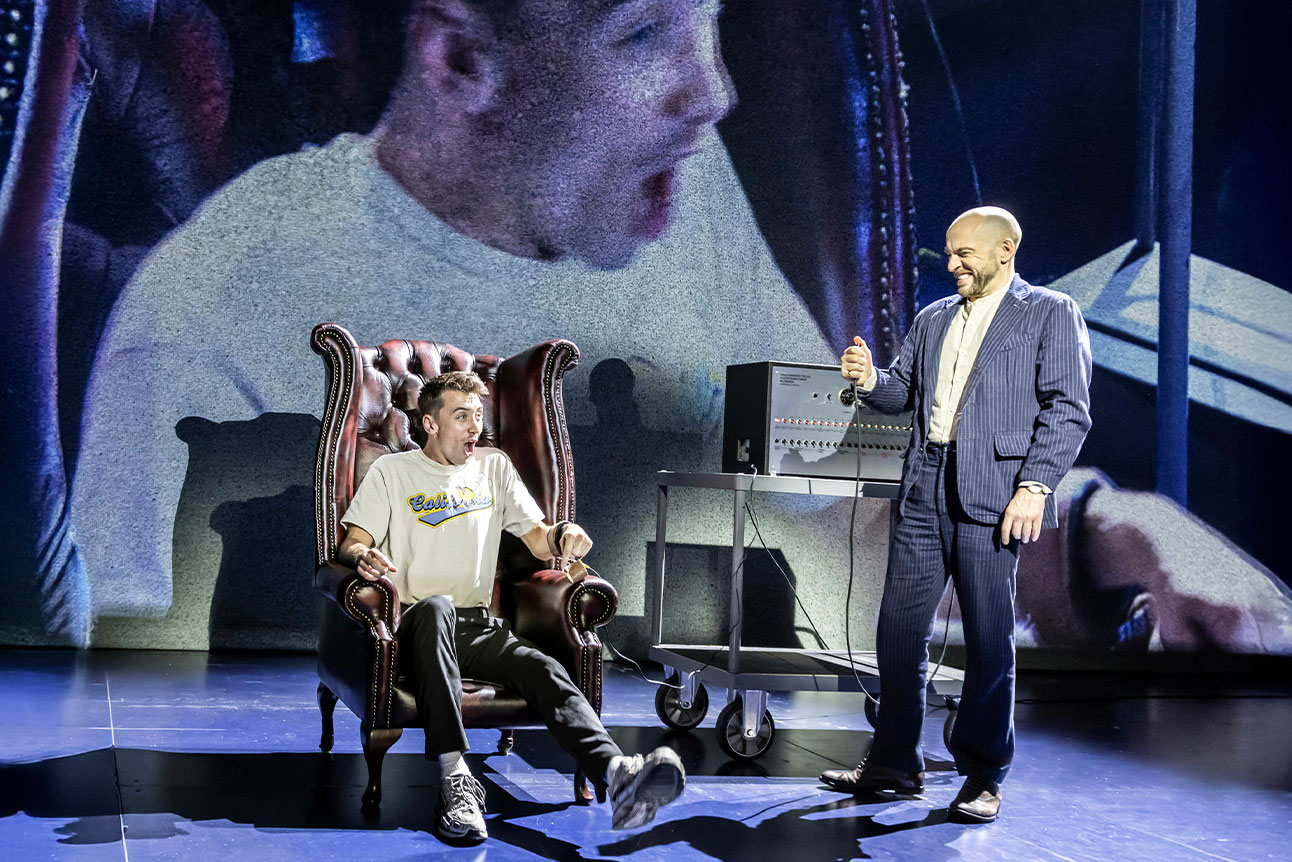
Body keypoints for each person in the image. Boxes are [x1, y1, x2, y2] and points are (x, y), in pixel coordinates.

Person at [70, 0, 835, 635]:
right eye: (640, 33)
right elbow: (132, 711)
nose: (713, 92)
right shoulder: (218, 303)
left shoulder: (682, 186)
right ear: (461, 61)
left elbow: (833, 472)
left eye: (707, 15)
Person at [820, 206, 1092, 823]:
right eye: (948, 253)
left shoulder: (1050, 312)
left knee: (991, 642)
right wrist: (869, 380)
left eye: (964, 254)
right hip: (923, 487)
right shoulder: (933, 317)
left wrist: (1036, 486)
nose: (952, 265)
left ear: (1006, 249)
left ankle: (981, 774)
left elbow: (1068, 410)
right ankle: (893, 761)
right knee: (897, 630)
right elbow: (903, 395)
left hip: (994, 495)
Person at [338, 371, 684, 842]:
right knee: (437, 606)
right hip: (418, 620)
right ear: (429, 423)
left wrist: (565, 534)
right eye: (461, 416)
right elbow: (352, 542)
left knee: (543, 669)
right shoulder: (392, 472)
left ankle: (618, 774)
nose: (474, 427)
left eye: (478, 416)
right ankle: (456, 780)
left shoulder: (494, 467)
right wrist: (363, 557)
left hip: (480, 627)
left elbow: (540, 540)